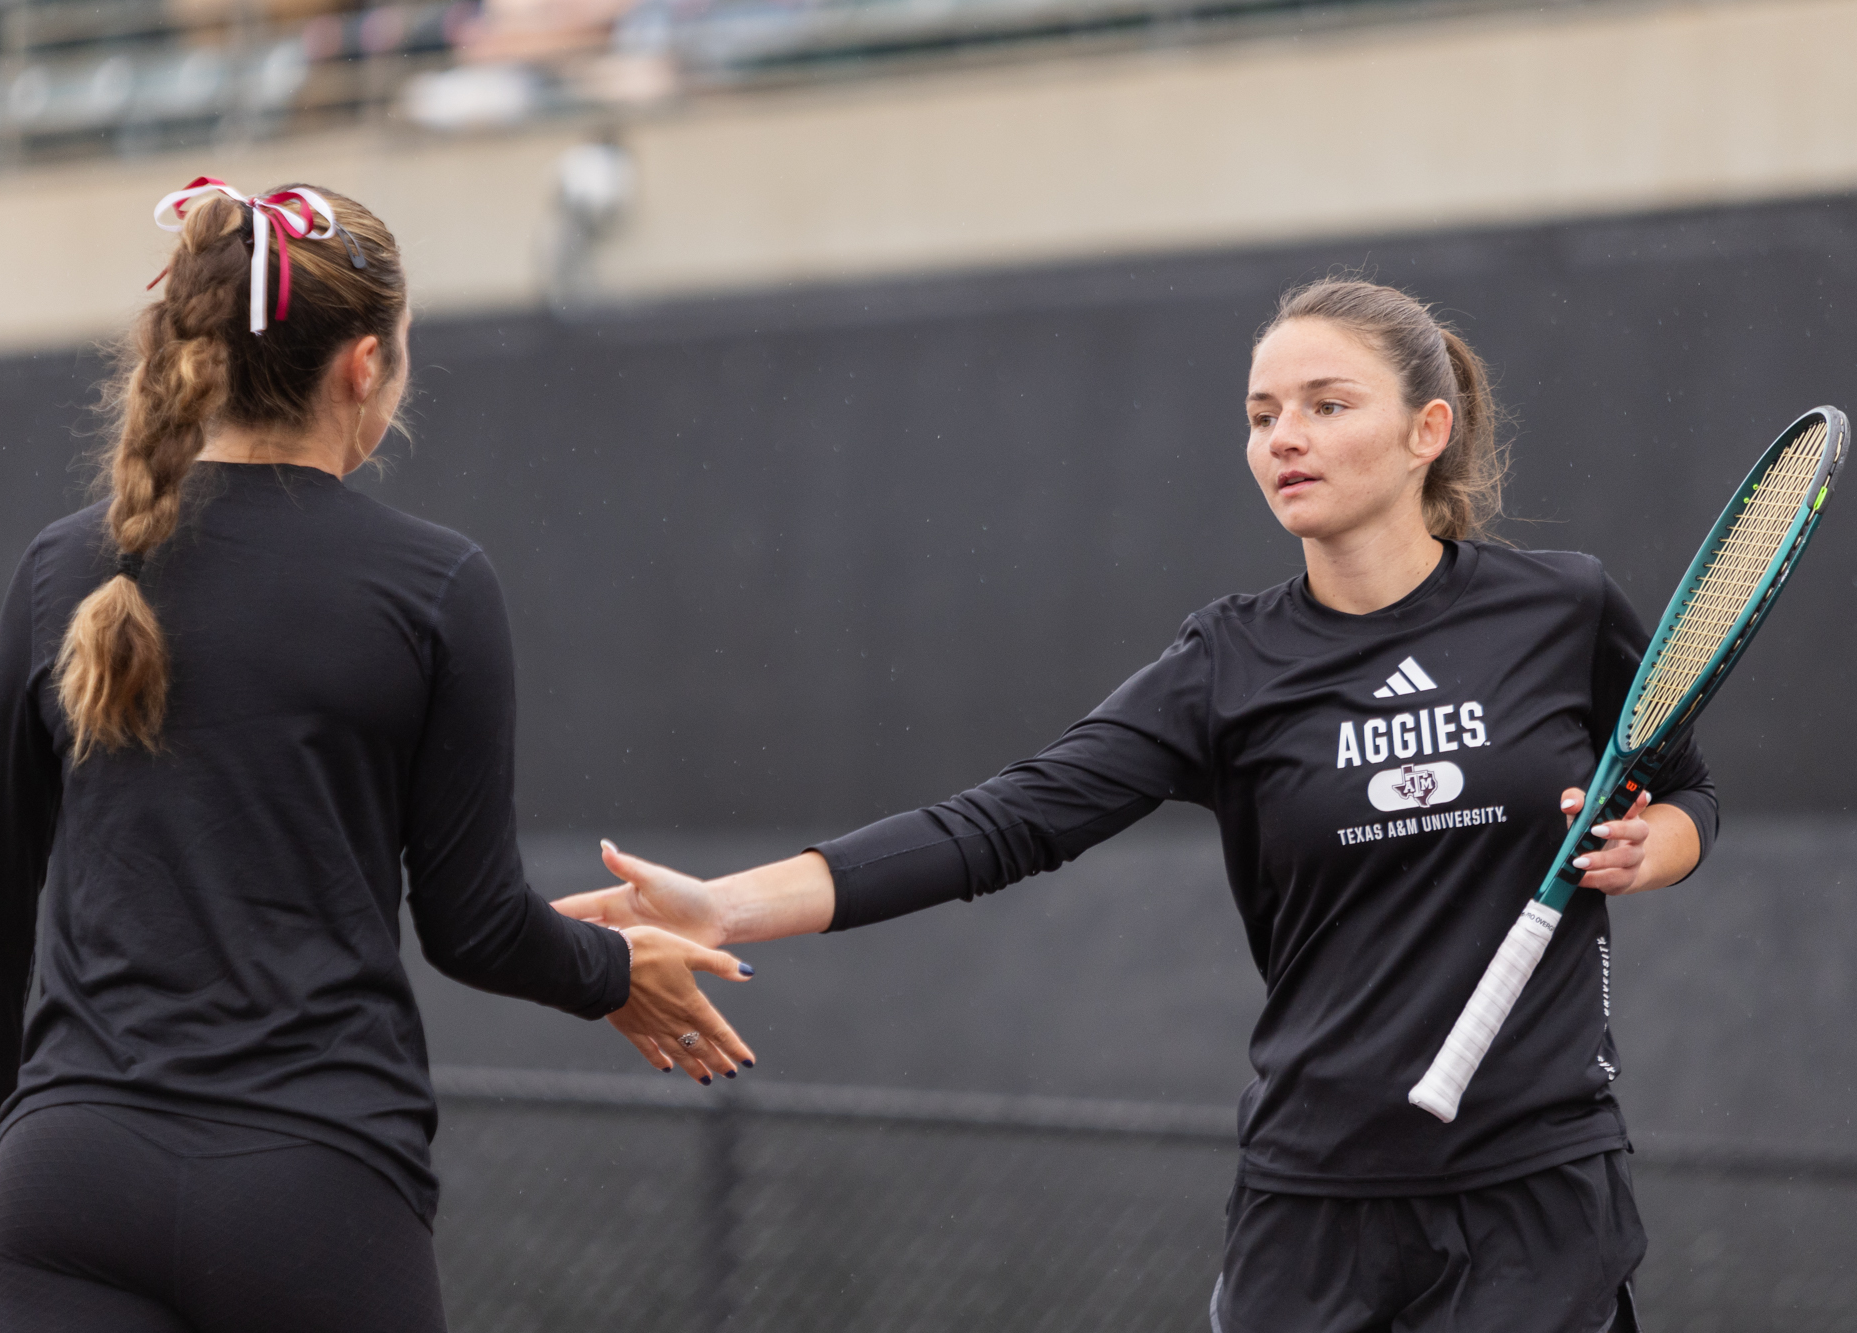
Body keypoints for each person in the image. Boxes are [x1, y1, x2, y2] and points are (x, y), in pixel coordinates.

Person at [552, 278, 1717, 1333]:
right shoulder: (1225, 661)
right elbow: (1001, 822)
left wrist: (1649, 846)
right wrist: (719, 906)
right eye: (1262, 415)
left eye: (1324, 404)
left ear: (1427, 431)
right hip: (1313, 1201)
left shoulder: (1559, 610)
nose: (1284, 439)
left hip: (1536, 1189)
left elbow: (1686, 794)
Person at [0, 178, 753, 1332]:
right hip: (312, 1189)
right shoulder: (434, 586)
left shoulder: (62, 567)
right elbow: (471, 924)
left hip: (69, 1181)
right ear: (363, 365)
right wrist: (616, 972)